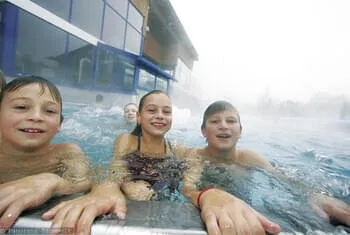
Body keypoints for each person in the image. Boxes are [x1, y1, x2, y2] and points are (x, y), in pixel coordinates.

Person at [42, 90, 280, 235]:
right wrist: (126, 185)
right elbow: (115, 168)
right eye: (152, 111)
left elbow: (196, 164)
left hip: (161, 194)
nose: (159, 116)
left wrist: (205, 186)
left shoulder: (175, 148)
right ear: (139, 116)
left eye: (166, 112)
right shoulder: (127, 140)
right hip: (134, 192)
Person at [184, 100, 350, 232]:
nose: (224, 125)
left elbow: (283, 179)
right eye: (215, 121)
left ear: (240, 131)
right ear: (203, 131)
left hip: (248, 205)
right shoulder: (197, 157)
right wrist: (205, 196)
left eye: (231, 121)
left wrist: (313, 194)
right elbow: (187, 188)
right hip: (210, 204)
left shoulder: (249, 157)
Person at [0, 76, 91, 232]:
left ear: (60, 125)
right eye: (21, 107)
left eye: (49, 111)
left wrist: (52, 181)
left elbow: (85, 183)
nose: (36, 117)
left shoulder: (66, 153)